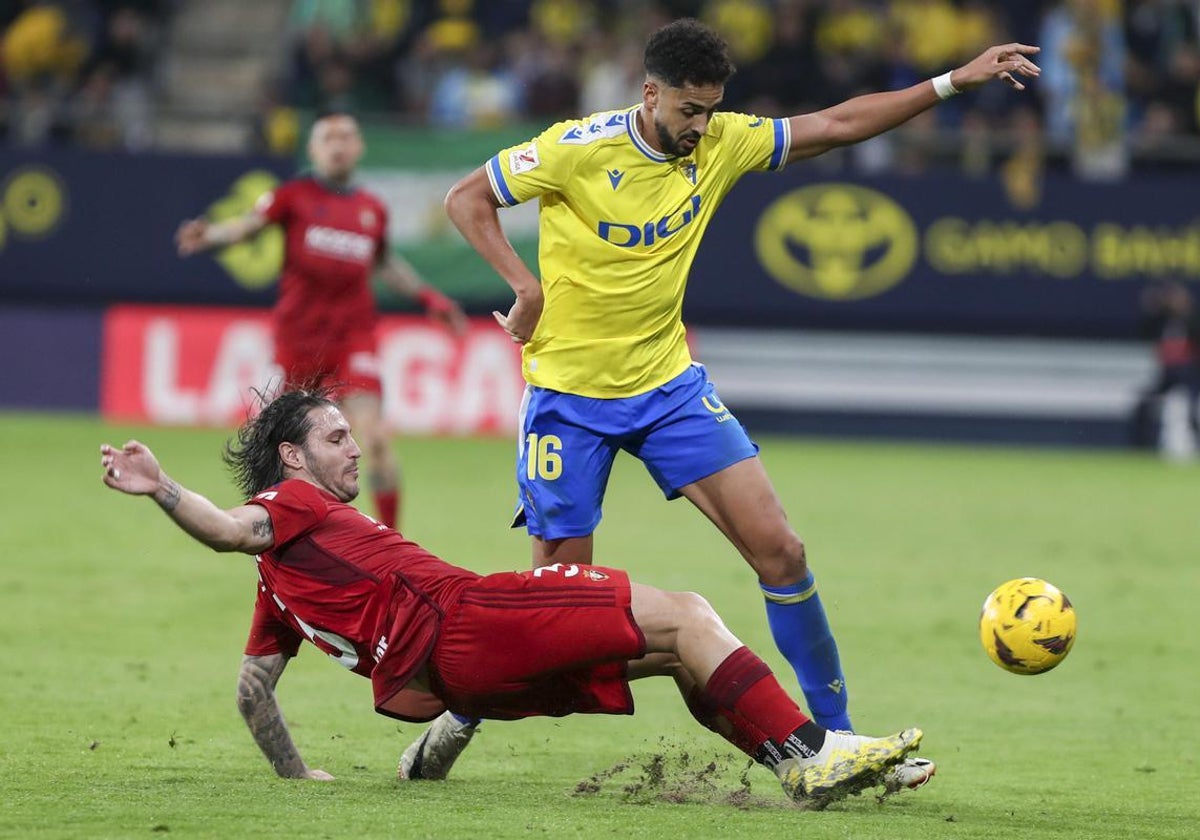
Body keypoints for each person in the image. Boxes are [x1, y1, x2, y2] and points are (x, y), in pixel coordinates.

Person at [401, 17, 1040, 787]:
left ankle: (837, 742)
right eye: (688, 111)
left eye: (711, 110)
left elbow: (835, 125)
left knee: (784, 551)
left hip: (669, 389)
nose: (701, 127)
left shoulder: (724, 142)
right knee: (560, 618)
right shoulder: (574, 147)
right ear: (650, 94)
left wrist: (949, 83)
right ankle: (464, 709)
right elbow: (466, 198)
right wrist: (524, 285)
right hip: (567, 401)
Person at [98, 389, 924, 808]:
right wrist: (163, 486)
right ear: (294, 457)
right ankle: (815, 753)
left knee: (675, 649)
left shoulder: (281, 580)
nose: (356, 449)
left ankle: (801, 765)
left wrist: (297, 777)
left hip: (454, 678)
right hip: (468, 618)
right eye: (336, 438)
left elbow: (252, 693)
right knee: (686, 610)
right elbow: (226, 531)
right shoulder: (290, 507)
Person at [175, 110, 468, 530]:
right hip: (298, 340)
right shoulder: (292, 196)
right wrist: (211, 236)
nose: (338, 144)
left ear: (358, 148)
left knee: (377, 442)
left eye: (346, 136)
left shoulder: (371, 209)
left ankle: (392, 541)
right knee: (280, 446)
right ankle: (272, 532)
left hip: (353, 339)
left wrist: (429, 296)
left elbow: (384, 263)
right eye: (329, 137)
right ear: (313, 149)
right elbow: (248, 228)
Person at [1129, 281, 1200, 451]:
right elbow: (1143, 332)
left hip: (1192, 374)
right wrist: (1152, 309)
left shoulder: (1193, 318)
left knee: (1192, 409)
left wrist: (1185, 312)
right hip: (1169, 374)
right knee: (1144, 403)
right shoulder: (1163, 320)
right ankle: (1142, 447)